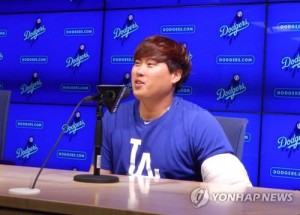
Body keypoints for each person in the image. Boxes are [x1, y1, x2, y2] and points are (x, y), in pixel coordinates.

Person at [100, 35, 252, 186]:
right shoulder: (114, 116)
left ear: (175, 75)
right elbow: (97, 184)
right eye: (137, 63)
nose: (139, 71)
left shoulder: (198, 123)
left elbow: (235, 189)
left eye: (150, 64)